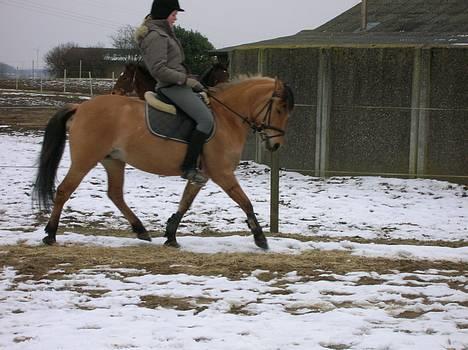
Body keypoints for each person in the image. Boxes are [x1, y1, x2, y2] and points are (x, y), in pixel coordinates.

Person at [136, 0, 213, 184]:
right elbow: (158, 69)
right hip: (171, 87)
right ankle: (188, 168)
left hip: (178, 83)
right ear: (164, 14)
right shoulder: (157, 36)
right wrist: (186, 80)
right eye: (174, 14)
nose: (176, 18)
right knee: (205, 119)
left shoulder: (164, 33)